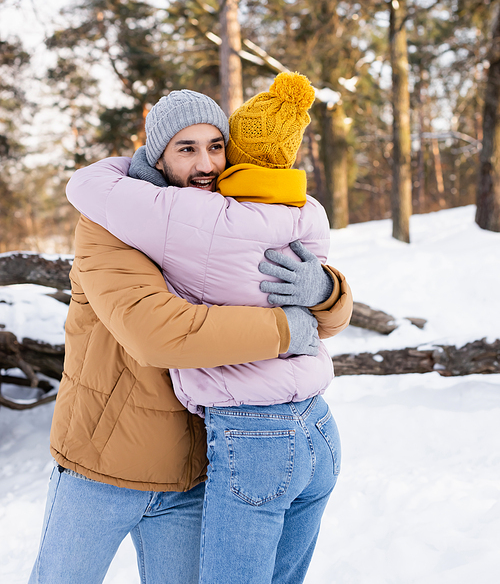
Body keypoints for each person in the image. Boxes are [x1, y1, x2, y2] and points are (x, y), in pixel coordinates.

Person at [28, 87, 351, 584]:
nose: (206, 164)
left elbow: (323, 320)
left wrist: (326, 289)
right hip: (102, 468)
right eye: (187, 148)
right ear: (157, 155)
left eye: (215, 146)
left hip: (193, 472)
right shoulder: (110, 223)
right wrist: (286, 328)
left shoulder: (228, 217)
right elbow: (158, 332)